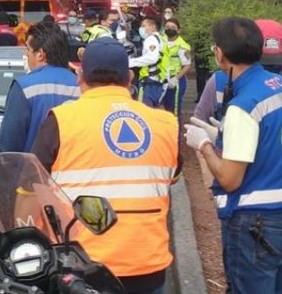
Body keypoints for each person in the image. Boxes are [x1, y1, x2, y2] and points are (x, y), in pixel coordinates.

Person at [32, 38, 179, 294]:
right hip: (147, 263)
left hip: (82, 263)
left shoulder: (61, 121)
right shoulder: (165, 123)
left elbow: (33, 184)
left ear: (79, 75)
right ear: (130, 78)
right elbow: (172, 175)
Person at [185, 18, 282, 294]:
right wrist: (223, 135)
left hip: (256, 225)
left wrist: (205, 145)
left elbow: (230, 180)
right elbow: (273, 142)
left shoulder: (243, 106)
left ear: (219, 53)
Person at [194, 19, 282, 188]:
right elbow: (198, 127)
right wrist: (209, 174)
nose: (269, 72)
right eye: (264, 64)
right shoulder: (219, 82)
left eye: (275, 64)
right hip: (232, 190)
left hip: (271, 197)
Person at [0, 21, 80, 152]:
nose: (26, 54)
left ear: (40, 54)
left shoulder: (24, 87)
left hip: (33, 170)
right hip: (72, 170)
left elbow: (8, 146)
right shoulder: (81, 86)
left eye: (28, 49)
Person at [129, 17, 166, 107]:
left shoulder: (151, 39)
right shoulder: (161, 39)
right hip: (159, 81)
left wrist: (130, 62)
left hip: (149, 82)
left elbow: (152, 58)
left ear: (153, 27)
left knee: (144, 111)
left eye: (144, 26)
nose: (142, 29)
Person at [160, 18, 193, 117]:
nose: (170, 29)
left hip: (175, 80)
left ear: (178, 30)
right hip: (162, 77)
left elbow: (187, 65)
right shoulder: (160, 40)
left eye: (173, 27)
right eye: (167, 27)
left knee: (173, 110)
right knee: (163, 108)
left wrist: (175, 79)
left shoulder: (182, 46)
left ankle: (176, 131)